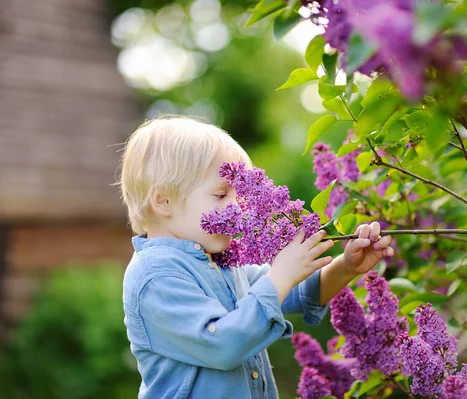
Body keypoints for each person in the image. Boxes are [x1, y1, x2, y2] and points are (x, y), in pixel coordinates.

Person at [118, 115, 394, 398]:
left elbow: (297, 291)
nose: (238, 208)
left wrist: (347, 266)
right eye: (221, 194)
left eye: (239, 196)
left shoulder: (220, 261)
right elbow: (222, 345)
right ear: (163, 200)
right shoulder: (156, 274)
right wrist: (280, 275)